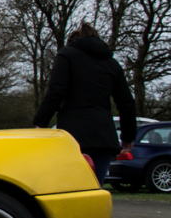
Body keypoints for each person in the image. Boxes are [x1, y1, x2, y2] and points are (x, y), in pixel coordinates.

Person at [33, 22, 136, 185]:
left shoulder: (66, 55)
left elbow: (56, 92)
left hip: (73, 134)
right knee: (95, 188)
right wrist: (128, 136)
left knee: (69, 188)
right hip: (104, 136)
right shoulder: (112, 63)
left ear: (72, 41)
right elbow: (126, 103)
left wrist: (40, 122)